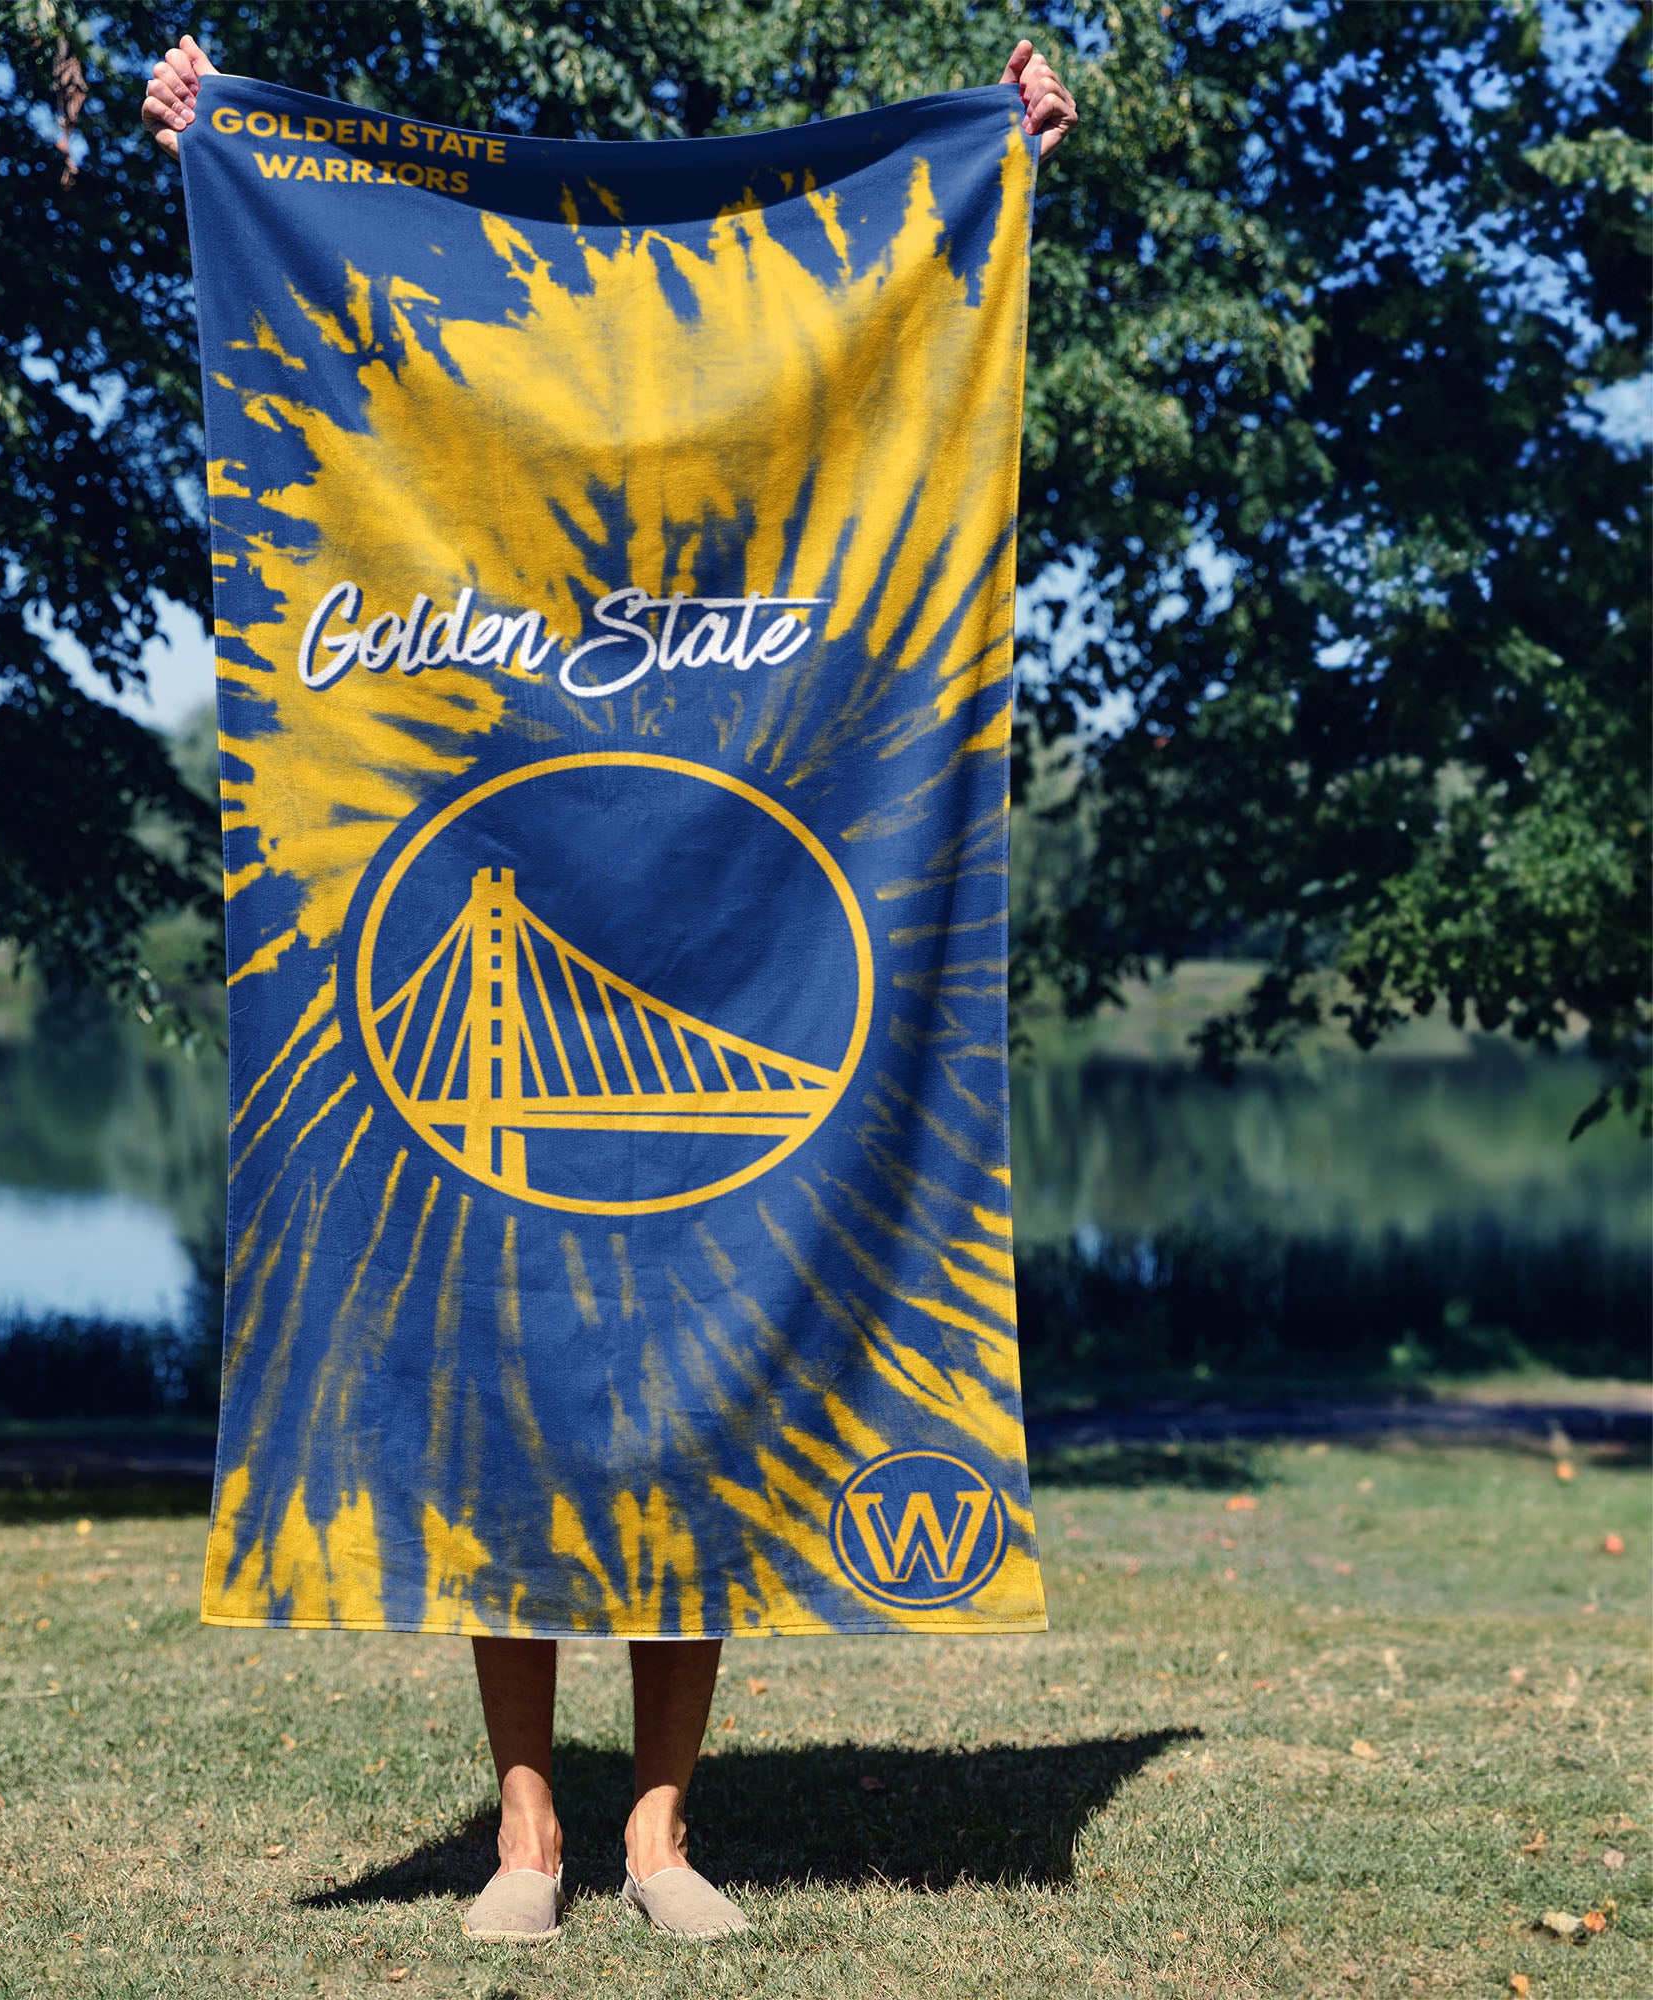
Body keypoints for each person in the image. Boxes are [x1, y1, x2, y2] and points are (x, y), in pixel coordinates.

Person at [141, 26, 1077, 1946]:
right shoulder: (463, 379)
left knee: (699, 1420)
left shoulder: (767, 451)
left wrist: (998, 161)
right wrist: (219, 140)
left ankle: (656, 1836)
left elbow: (911, 306)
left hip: (730, 923)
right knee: (505, 1410)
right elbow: (315, 271)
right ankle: (527, 1837)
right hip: (506, 875)